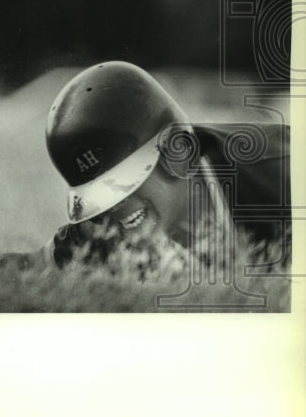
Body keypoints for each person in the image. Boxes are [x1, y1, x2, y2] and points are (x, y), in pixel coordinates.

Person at [37, 61, 291, 271]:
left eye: (122, 184)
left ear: (180, 151)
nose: (111, 210)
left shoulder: (284, 179)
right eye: (99, 199)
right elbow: (26, 267)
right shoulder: (99, 228)